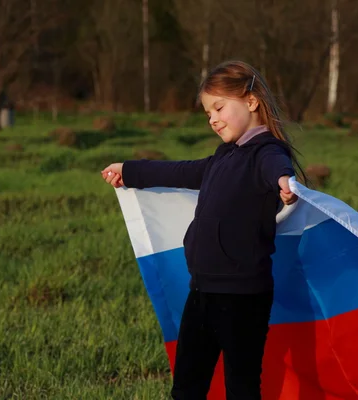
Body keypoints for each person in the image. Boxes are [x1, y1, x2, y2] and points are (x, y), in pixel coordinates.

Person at [101, 60, 305, 399]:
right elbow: (178, 172)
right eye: (208, 113)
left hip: (243, 298)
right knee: (186, 387)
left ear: (251, 101)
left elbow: (277, 166)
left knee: (240, 388)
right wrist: (129, 170)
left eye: (219, 107)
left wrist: (285, 182)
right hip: (202, 292)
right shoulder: (222, 158)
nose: (212, 118)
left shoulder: (266, 153)